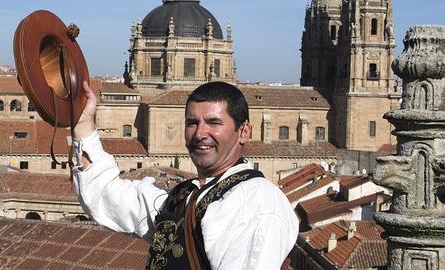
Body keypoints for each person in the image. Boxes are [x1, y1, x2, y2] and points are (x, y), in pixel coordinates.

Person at [72, 81, 299, 269]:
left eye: (214, 122)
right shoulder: (186, 197)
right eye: (192, 123)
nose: (200, 133)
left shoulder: (257, 201)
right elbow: (107, 196)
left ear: (244, 131)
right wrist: (83, 123)